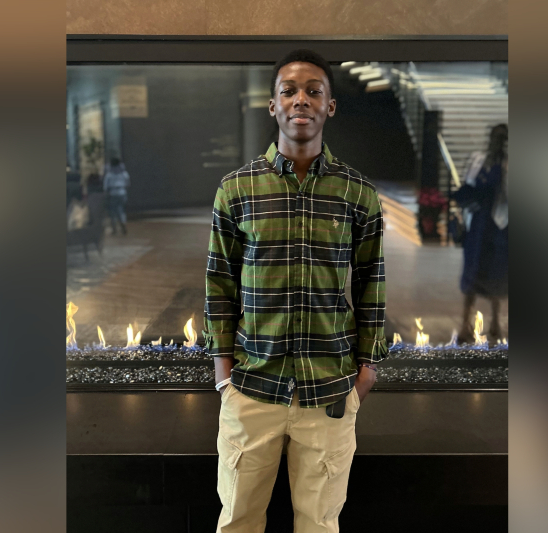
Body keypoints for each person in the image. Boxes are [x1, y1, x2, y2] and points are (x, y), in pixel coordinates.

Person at [203, 49, 387, 533]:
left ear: (330, 106)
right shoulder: (236, 190)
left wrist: (366, 371)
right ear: (273, 105)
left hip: (330, 391)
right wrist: (224, 378)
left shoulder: (358, 194)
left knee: (320, 526)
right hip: (251, 390)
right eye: (289, 91)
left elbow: (371, 283)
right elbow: (219, 284)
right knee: (237, 522)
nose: (300, 99)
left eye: (313, 91)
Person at [453, 124, 508, 343]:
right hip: (479, 223)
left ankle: (494, 323)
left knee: (495, 272)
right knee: (473, 270)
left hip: (499, 225)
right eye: (496, 138)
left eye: (502, 139)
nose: (498, 143)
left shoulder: (508, 164)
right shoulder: (479, 160)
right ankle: (466, 324)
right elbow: (469, 184)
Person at [102, 157, 130, 235]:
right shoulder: (124, 173)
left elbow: (105, 187)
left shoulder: (109, 174)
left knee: (112, 212)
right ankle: (123, 223)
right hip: (122, 193)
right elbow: (128, 184)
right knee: (121, 210)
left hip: (112, 194)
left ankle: (114, 228)